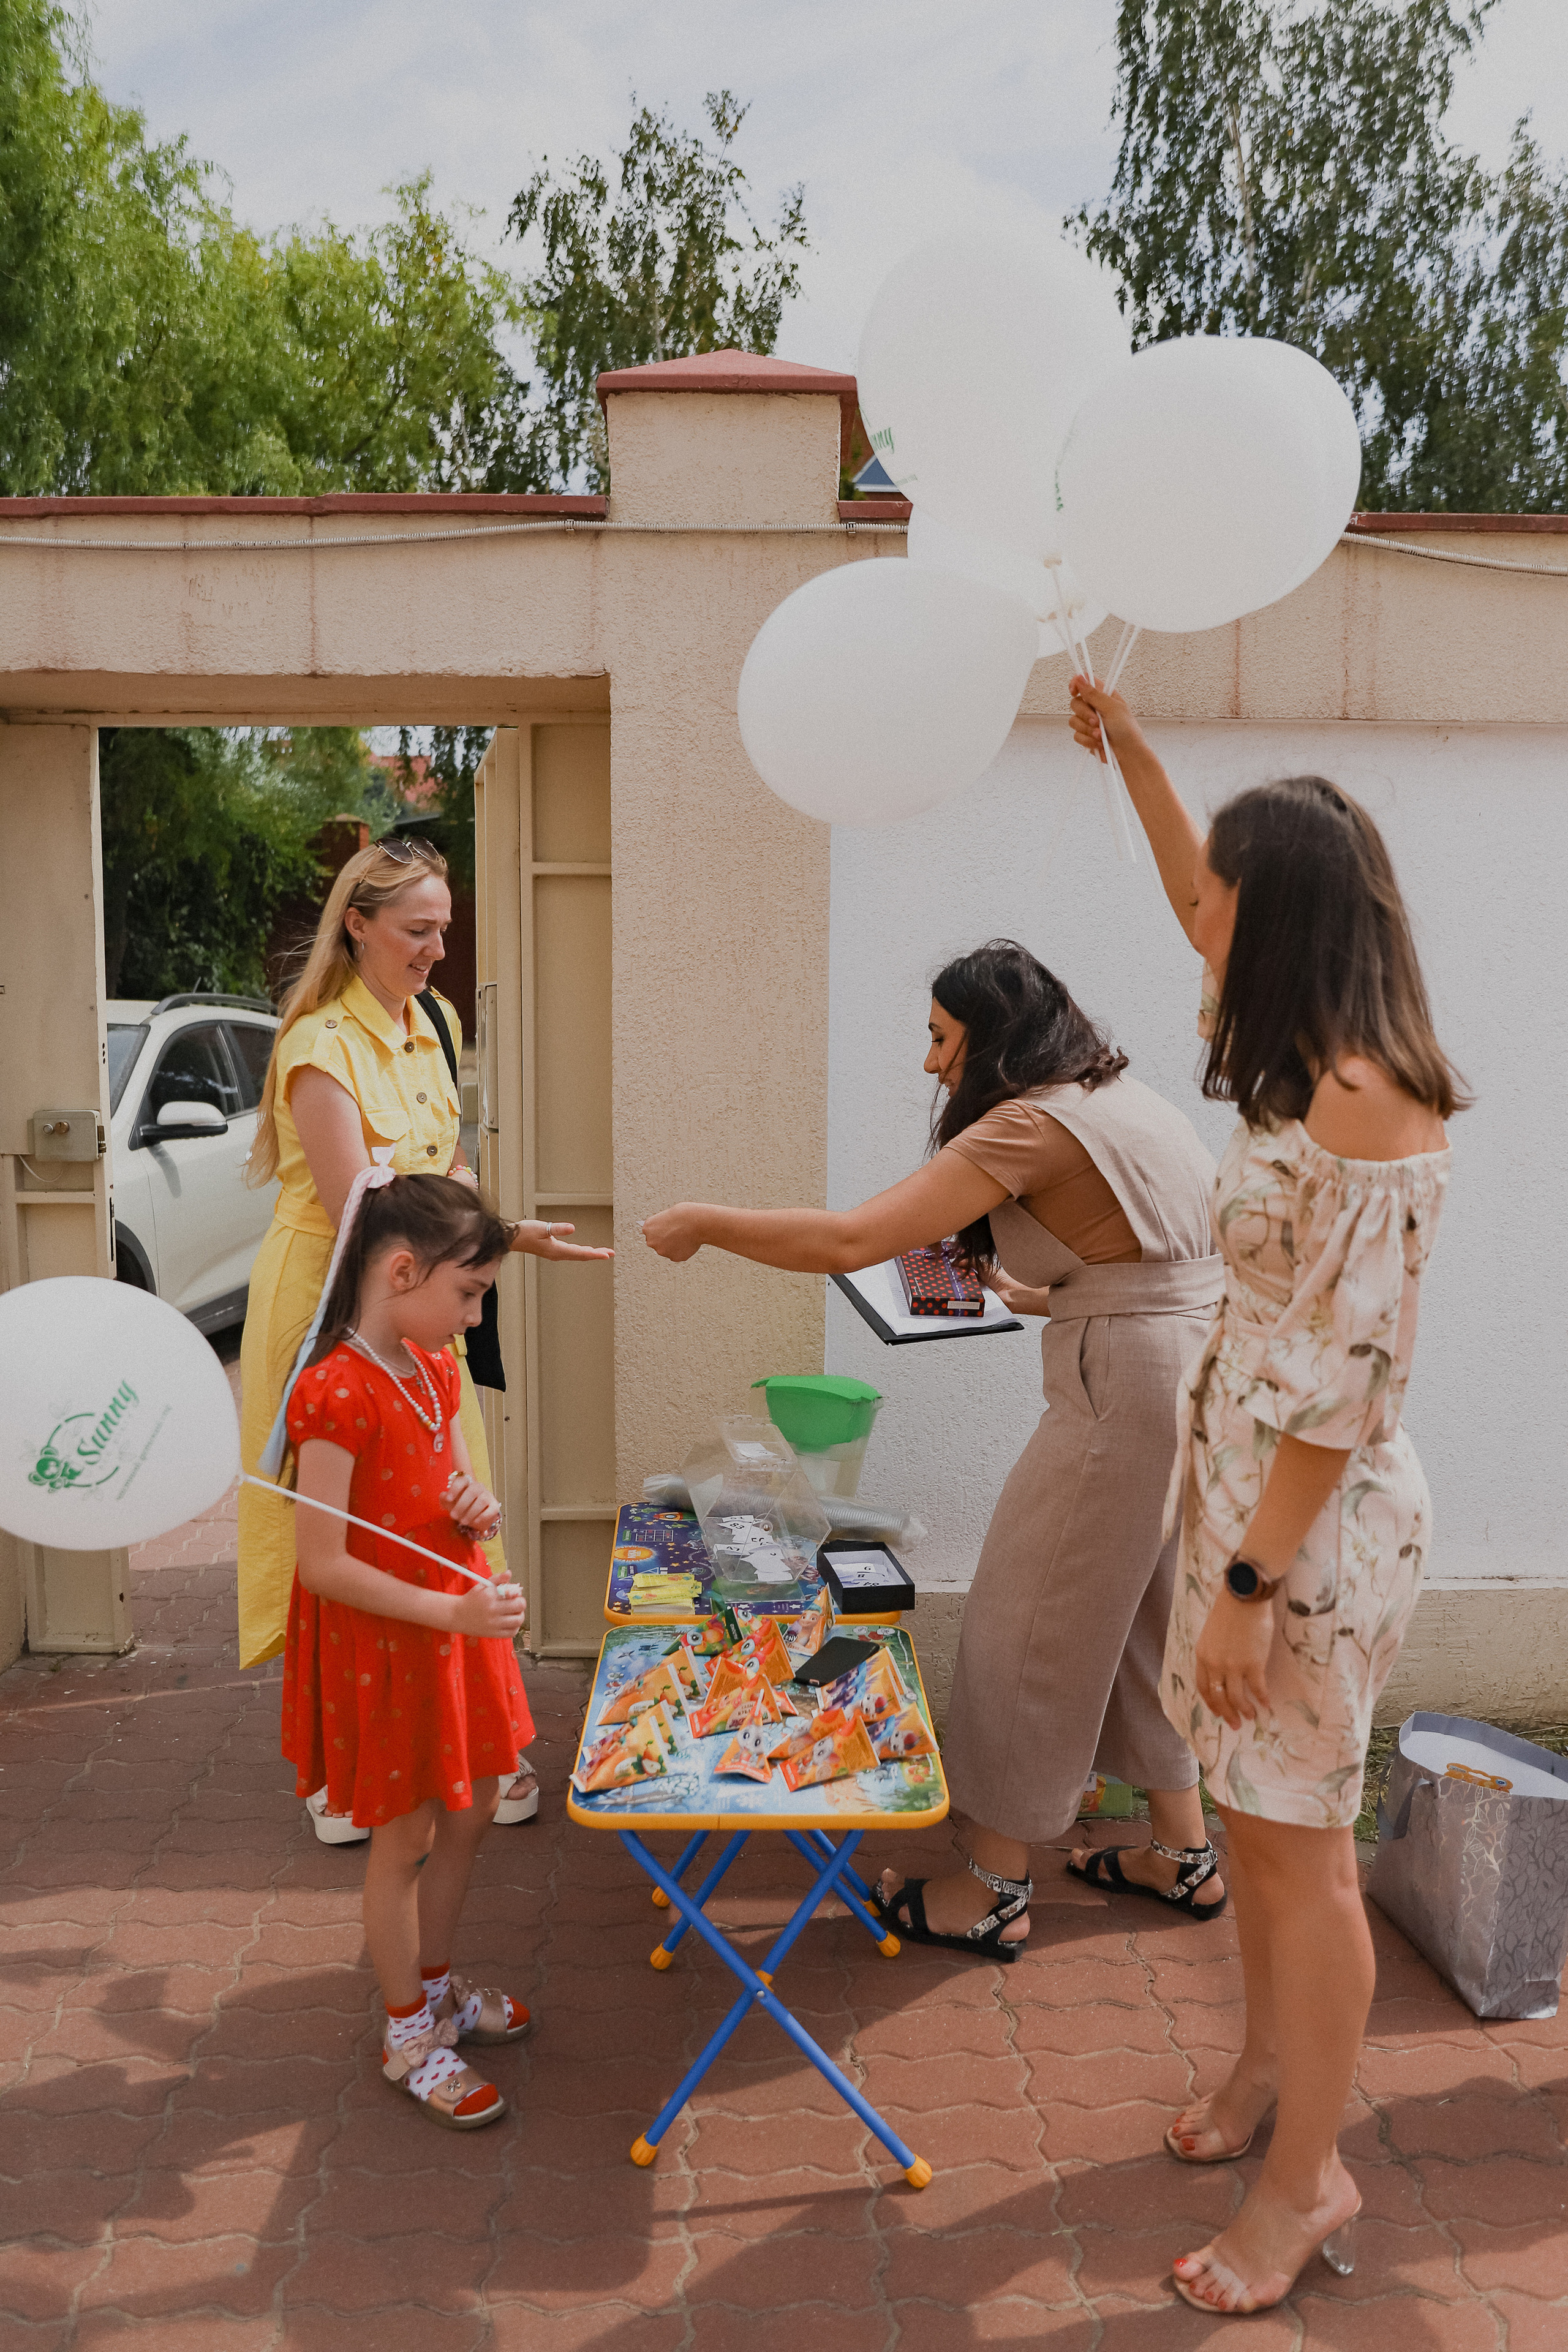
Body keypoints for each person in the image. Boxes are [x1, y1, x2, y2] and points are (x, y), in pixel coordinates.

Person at [1069, 674, 1461, 2316]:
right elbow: (1184, 887)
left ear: (1277, 915)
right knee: (1254, 1823)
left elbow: (1346, 1386)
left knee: (1299, 1859)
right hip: (1242, 1508)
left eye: (1221, 896)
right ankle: (1257, 2077)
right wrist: (1136, 753)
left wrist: (1246, 1589)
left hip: (1299, 1538)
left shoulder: (1371, 1095)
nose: (1193, 917)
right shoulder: (1302, 1050)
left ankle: (1308, 2179)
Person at [642, 938, 1227, 1956]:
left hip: (1123, 1388)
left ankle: (992, 1887)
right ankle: (1180, 1855)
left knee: (1029, 1617)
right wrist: (1042, 1296)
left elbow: (844, 1242)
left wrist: (704, 1223)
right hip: (1189, 1375)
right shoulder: (1123, 1098)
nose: (929, 1063)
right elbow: (1152, 1268)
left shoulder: (1029, 1123)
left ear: (991, 1036)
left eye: (940, 1037)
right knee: (1145, 1614)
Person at [240, 837, 611, 1839]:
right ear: (356, 925)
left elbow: (445, 1171)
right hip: (335, 1307)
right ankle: (337, 1768)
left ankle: (469, 1734)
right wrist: (486, 1242)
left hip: (421, 1298)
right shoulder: (320, 1045)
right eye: (417, 930)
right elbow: (365, 1214)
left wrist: (503, 1237)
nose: (437, 949)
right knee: (339, 1533)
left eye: (444, 928)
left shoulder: (434, 1021)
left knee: (446, 1510)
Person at [282, 1170, 532, 2128]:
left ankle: (435, 1989)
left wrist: (480, 1509)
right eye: (468, 1293)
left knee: (467, 1816)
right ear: (400, 1270)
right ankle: (405, 2036)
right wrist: (454, 1616)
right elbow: (323, 1565)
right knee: (407, 1838)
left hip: (452, 1629)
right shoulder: (332, 1394)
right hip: (393, 1647)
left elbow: (459, 1493)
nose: (474, 1318)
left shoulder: (431, 1367)